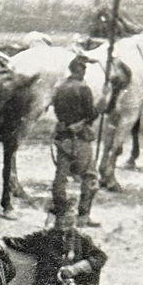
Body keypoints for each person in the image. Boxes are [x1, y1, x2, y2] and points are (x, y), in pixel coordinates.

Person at [50, 52, 102, 223]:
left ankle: (60, 212)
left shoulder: (59, 87)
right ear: (80, 70)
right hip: (80, 138)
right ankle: (83, 215)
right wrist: (101, 106)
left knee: (61, 177)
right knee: (90, 176)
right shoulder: (83, 88)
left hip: (63, 136)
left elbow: (57, 111)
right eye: (84, 69)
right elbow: (91, 114)